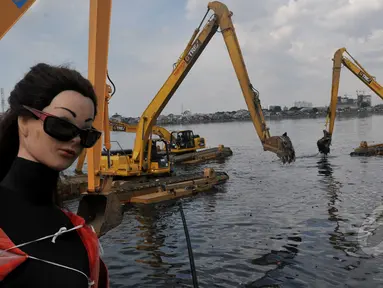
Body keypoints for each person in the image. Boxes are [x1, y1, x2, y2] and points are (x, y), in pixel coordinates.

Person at [0, 63, 109, 287]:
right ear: (24, 122)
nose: (76, 139)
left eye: (86, 133)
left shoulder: (82, 235)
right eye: (61, 124)